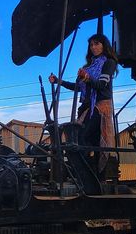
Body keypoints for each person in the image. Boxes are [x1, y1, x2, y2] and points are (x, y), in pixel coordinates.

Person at [48, 33, 118, 176]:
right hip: (87, 108)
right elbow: (78, 87)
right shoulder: (88, 67)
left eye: (97, 44)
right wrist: (58, 81)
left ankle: (92, 175)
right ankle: (90, 175)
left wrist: (87, 78)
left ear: (104, 45)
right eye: (91, 45)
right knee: (87, 139)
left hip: (101, 107)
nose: (93, 47)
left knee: (84, 138)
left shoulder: (109, 63)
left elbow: (101, 85)